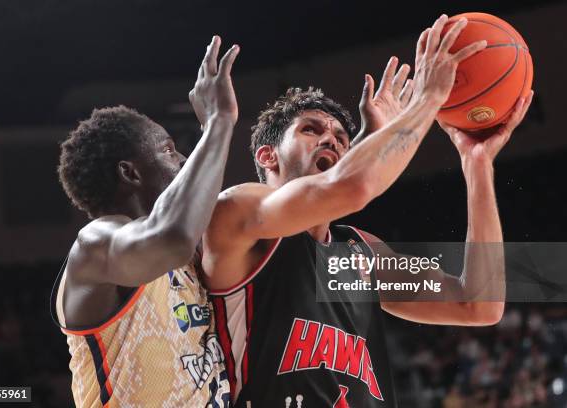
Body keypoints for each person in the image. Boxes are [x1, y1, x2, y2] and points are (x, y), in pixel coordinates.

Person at [202, 15, 533, 407]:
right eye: (310, 129)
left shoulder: (360, 256)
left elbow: (478, 305)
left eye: (342, 138)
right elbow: (354, 186)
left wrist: (476, 166)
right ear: (267, 156)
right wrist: (427, 99)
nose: (330, 138)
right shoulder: (242, 216)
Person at [50, 36, 238, 407]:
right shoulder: (97, 243)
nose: (183, 159)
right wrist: (218, 122)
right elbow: (171, 237)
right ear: (130, 172)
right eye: (168, 150)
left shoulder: (194, 252)